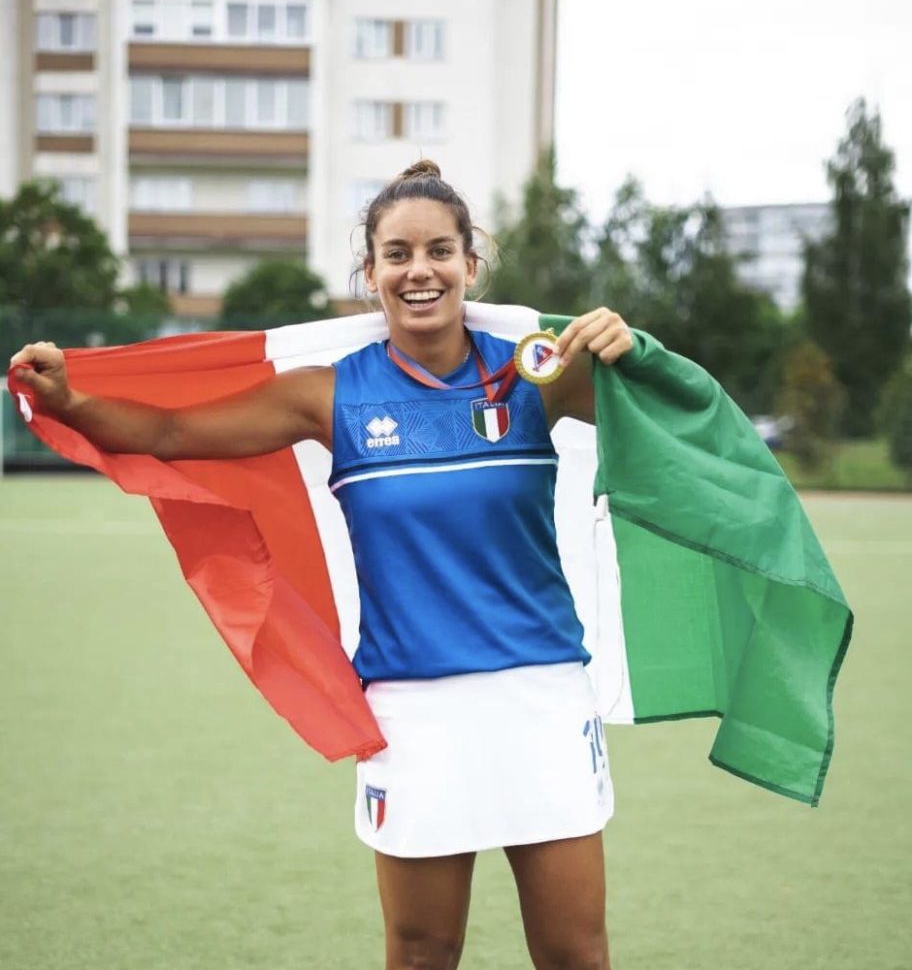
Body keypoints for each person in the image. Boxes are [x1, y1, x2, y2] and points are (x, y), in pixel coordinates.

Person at [11, 160, 633, 970]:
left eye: (439, 251)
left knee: (575, 956)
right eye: (397, 254)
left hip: (542, 700)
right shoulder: (329, 395)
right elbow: (171, 434)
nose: (419, 271)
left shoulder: (536, 373)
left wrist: (630, 353)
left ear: (470, 265)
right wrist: (71, 403)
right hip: (413, 712)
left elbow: (659, 420)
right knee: (421, 956)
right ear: (370, 273)